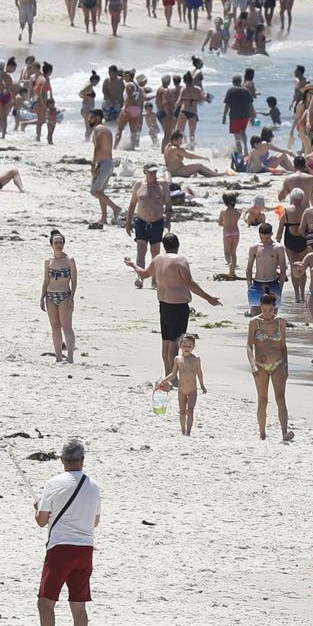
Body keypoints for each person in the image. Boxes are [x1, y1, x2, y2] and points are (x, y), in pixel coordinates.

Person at [34, 439, 101, 626]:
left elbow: (42, 521)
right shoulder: (93, 485)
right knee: (79, 606)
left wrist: (38, 509)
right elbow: (95, 521)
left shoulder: (54, 483)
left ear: (62, 460)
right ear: (82, 460)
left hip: (61, 548)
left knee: (46, 603)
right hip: (85, 549)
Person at [124, 233, 222, 375]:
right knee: (174, 345)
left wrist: (133, 265)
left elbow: (144, 274)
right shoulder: (180, 260)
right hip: (178, 307)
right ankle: (173, 377)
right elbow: (189, 283)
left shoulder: (158, 259)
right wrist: (208, 298)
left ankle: (167, 374)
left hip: (163, 306)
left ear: (164, 246)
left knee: (166, 342)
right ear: (178, 245)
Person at [246, 292, 293, 441]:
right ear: (260, 307)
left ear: (275, 308)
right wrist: (253, 365)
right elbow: (249, 345)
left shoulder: (280, 322)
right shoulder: (255, 322)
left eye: (270, 310)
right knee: (263, 399)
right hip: (260, 365)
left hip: (278, 363)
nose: (267, 313)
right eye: (264, 310)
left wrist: (286, 365)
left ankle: (284, 432)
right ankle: (262, 433)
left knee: (280, 398)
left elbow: (283, 346)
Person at [126, 165, 172, 289]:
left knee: (155, 253)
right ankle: (139, 277)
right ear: (145, 172)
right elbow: (132, 204)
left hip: (157, 222)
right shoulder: (139, 184)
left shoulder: (162, 184)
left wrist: (168, 221)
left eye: (155, 172)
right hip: (141, 221)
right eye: (150, 172)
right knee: (141, 251)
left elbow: (168, 204)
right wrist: (128, 222)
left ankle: (154, 280)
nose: (153, 174)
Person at [155, 333, 207, 436]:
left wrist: (202, 385)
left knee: (190, 410)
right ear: (180, 345)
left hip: (192, 390)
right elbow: (173, 373)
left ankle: (188, 432)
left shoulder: (195, 359)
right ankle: (183, 431)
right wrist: (163, 381)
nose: (187, 348)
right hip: (181, 390)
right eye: (184, 346)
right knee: (182, 412)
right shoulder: (177, 359)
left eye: (189, 346)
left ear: (193, 346)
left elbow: (199, 373)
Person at [40, 231, 77, 364]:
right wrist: (42, 298)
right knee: (55, 327)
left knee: (66, 326)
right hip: (50, 296)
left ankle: (71, 357)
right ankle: (58, 357)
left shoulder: (69, 261)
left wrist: (72, 297)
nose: (58, 245)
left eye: (60, 242)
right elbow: (45, 281)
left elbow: (74, 280)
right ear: (51, 244)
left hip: (64, 295)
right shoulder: (48, 262)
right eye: (56, 242)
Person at [87, 109, 123, 225]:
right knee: (100, 191)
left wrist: (93, 165)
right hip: (108, 163)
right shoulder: (106, 129)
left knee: (94, 191)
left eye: (91, 117)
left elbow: (97, 148)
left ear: (97, 117)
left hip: (103, 163)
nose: (89, 119)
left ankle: (116, 208)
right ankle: (104, 218)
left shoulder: (98, 129)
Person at [246, 222, 289, 316]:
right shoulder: (254, 247)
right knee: (256, 317)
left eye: (267, 238)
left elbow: (283, 269)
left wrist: (280, 288)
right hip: (257, 284)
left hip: (273, 284)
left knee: (271, 317)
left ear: (271, 234)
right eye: (262, 238)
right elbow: (249, 268)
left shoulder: (278, 248)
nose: (264, 240)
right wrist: (249, 285)